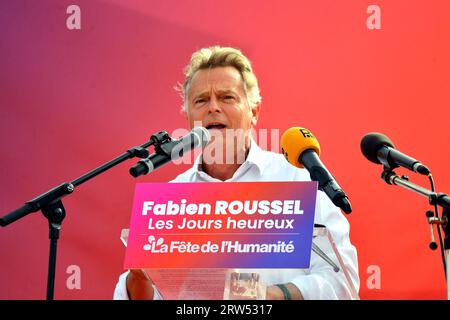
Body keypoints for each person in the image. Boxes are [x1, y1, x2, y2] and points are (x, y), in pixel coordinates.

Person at [114, 46, 359, 300]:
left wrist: (269, 296)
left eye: (227, 97)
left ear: (254, 111)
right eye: (200, 100)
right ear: (187, 115)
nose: (213, 108)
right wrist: (138, 278)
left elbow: (343, 282)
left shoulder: (298, 179)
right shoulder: (171, 197)